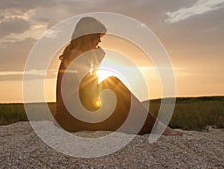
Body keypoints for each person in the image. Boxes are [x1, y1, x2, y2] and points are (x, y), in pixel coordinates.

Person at [54, 17, 182, 136]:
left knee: (117, 101)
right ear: (88, 36)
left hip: (69, 118)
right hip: (74, 120)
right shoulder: (78, 57)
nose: (99, 41)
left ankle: (153, 126)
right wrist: (97, 65)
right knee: (113, 82)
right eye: (97, 36)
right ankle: (157, 127)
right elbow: (91, 95)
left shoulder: (72, 54)